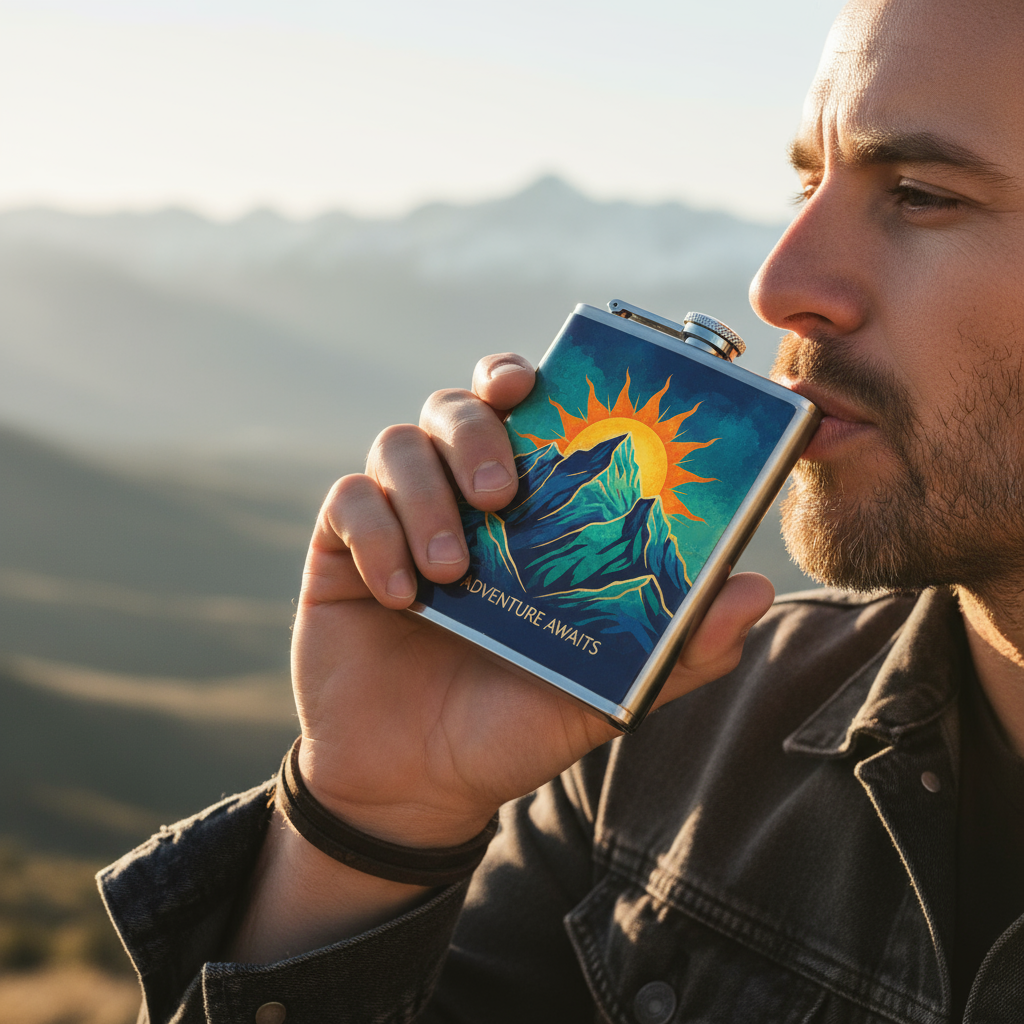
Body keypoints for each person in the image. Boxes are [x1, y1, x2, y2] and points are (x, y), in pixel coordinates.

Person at [99, 0, 1024, 1020]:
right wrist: (376, 822)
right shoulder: (667, 749)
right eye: (807, 180)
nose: (779, 284)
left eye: (921, 194)